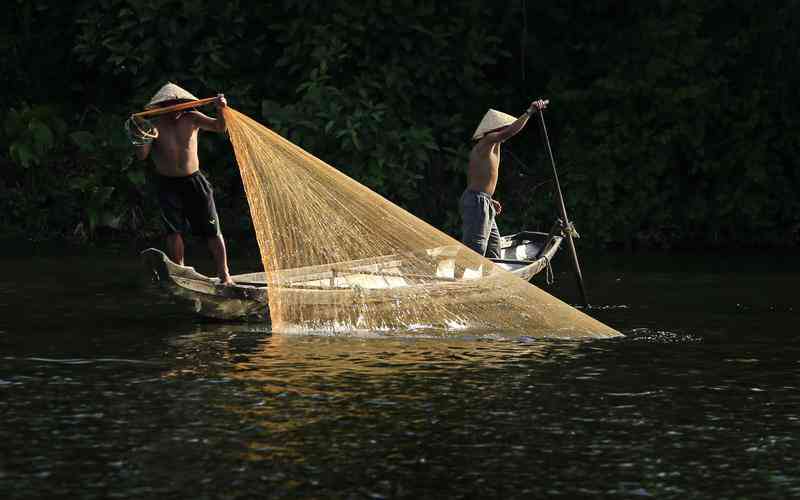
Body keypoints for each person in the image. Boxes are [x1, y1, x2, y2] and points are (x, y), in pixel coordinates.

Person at [131, 82, 234, 285]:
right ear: (162, 106)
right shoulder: (154, 125)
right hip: (167, 183)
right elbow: (142, 156)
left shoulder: (193, 117)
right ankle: (180, 274)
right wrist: (138, 138)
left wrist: (221, 108)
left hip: (194, 181)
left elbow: (220, 127)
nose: (174, 109)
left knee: (212, 229)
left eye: (177, 104)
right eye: (169, 105)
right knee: (173, 230)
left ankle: (225, 275)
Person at [461, 99, 548, 258]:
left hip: (484, 201)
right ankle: (463, 281)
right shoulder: (486, 141)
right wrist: (529, 112)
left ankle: (494, 279)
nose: (506, 129)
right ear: (495, 128)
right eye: (503, 127)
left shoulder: (494, 145)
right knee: (475, 249)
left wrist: (489, 199)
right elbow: (508, 132)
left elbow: (477, 177)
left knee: (494, 247)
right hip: (477, 202)